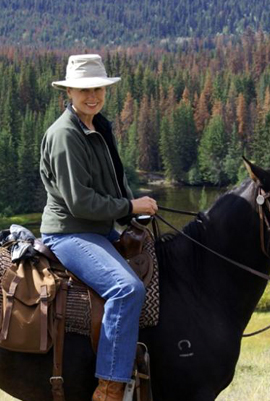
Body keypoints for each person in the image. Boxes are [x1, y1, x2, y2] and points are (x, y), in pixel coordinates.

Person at [39, 54, 158, 401]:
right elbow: (80, 202)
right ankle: (108, 388)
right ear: (69, 92)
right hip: (70, 231)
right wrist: (129, 207)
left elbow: (113, 182)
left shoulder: (97, 126)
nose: (92, 95)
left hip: (97, 228)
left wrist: (132, 214)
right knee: (127, 289)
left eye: (98, 89)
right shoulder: (65, 135)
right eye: (84, 89)